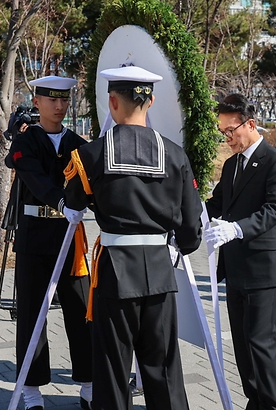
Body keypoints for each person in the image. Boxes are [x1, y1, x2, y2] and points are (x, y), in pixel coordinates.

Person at [63, 66, 203, 410]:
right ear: (151, 101)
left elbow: (73, 201)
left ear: (112, 102)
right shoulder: (175, 154)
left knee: (111, 367)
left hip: (114, 273)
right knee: (163, 367)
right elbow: (190, 230)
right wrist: (177, 246)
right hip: (159, 272)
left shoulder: (90, 155)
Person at [205, 93, 276, 410]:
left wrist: (236, 228)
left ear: (251, 124)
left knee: (261, 343)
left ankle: (270, 405)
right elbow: (216, 205)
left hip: (265, 270)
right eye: (222, 132)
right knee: (243, 346)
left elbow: (274, 210)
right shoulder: (232, 165)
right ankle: (254, 401)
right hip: (235, 268)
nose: (227, 138)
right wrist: (187, 218)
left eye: (231, 130)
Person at [6, 76, 92, 410]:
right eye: (51, 100)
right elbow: (33, 177)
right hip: (34, 234)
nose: (59, 106)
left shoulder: (79, 143)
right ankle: (31, 389)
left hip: (72, 239)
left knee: (81, 309)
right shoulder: (26, 141)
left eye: (64, 100)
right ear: (37, 102)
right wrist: (61, 201)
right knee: (31, 313)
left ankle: (88, 383)